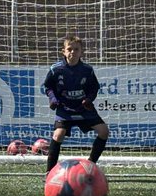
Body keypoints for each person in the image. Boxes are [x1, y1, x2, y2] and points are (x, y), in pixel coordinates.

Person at [42, 33, 110, 173]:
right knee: (58, 135)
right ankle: (49, 172)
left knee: (104, 131)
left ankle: (90, 165)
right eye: (69, 49)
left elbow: (94, 88)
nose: (72, 52)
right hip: (65, 109)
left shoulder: (87, 70)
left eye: (76, 49)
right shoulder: (55, 69)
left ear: (81, 52)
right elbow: (48, 87)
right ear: (63, 51)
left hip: (83, 109)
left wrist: (89, 100)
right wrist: (53, 99)